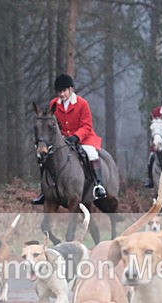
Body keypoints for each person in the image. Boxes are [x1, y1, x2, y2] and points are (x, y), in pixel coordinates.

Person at [32, 73, 106, 205]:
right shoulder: (53, 104)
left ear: (71, 89)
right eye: (59, 91)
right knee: (44, 157)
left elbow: (87, 125)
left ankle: (98, 185)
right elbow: (53, 125)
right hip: (63, 139)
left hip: (84, 138)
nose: (61, 94)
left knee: (91, 153)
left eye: (64, 91)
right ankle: (44, 191)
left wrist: (76, 137)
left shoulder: (82, 104)